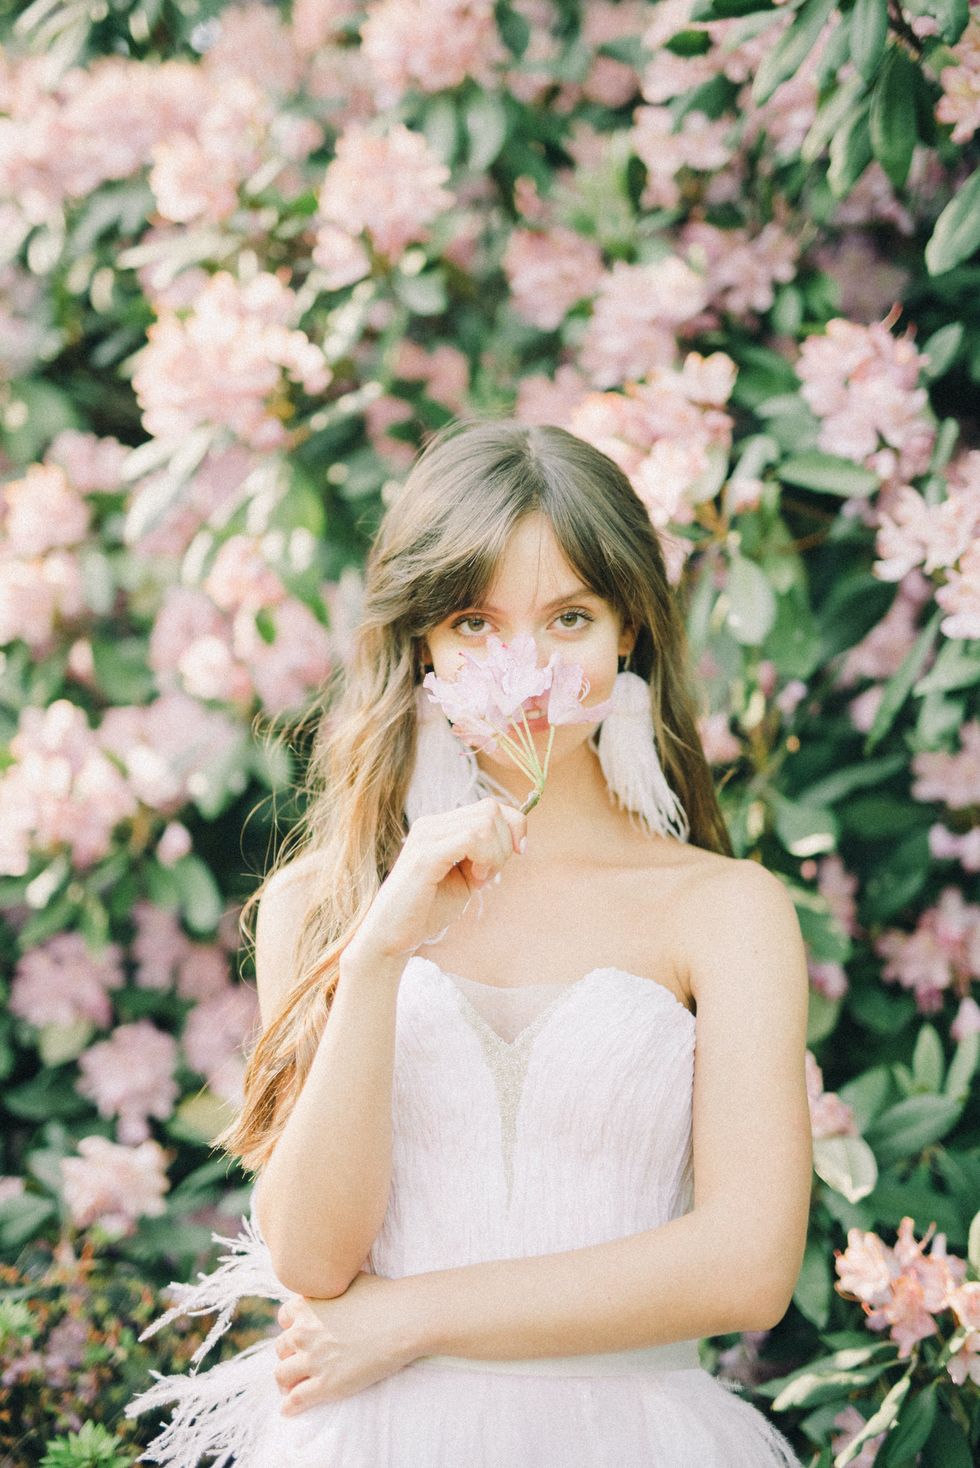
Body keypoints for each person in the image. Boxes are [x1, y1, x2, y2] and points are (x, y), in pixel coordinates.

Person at [127, 419, 813, 1466]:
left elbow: (747, 1265)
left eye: (568, 617)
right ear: (423, 647)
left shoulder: (724, 909)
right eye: (475, 624)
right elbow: (312, 1255)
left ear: (628, 628)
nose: (525, 668)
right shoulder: (327, 901)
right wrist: (374, 953)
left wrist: (413, 1316)